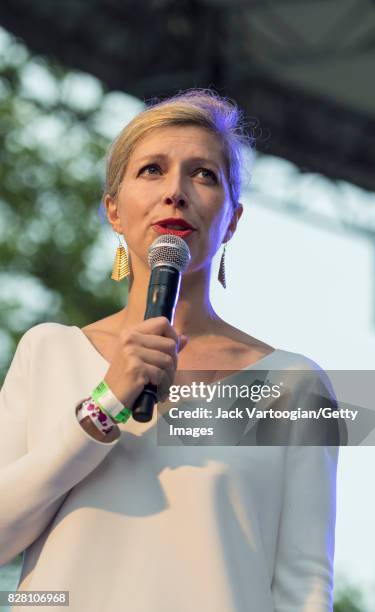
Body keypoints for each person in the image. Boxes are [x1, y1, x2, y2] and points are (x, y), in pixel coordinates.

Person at [0, 89, 339, 611]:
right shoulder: (48, 352)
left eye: (204, 174)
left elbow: (305, 587)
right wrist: (104, 404)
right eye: (152, 170)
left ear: (232, 218)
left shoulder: (293, 385)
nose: (175, 191)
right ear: (113, 210)